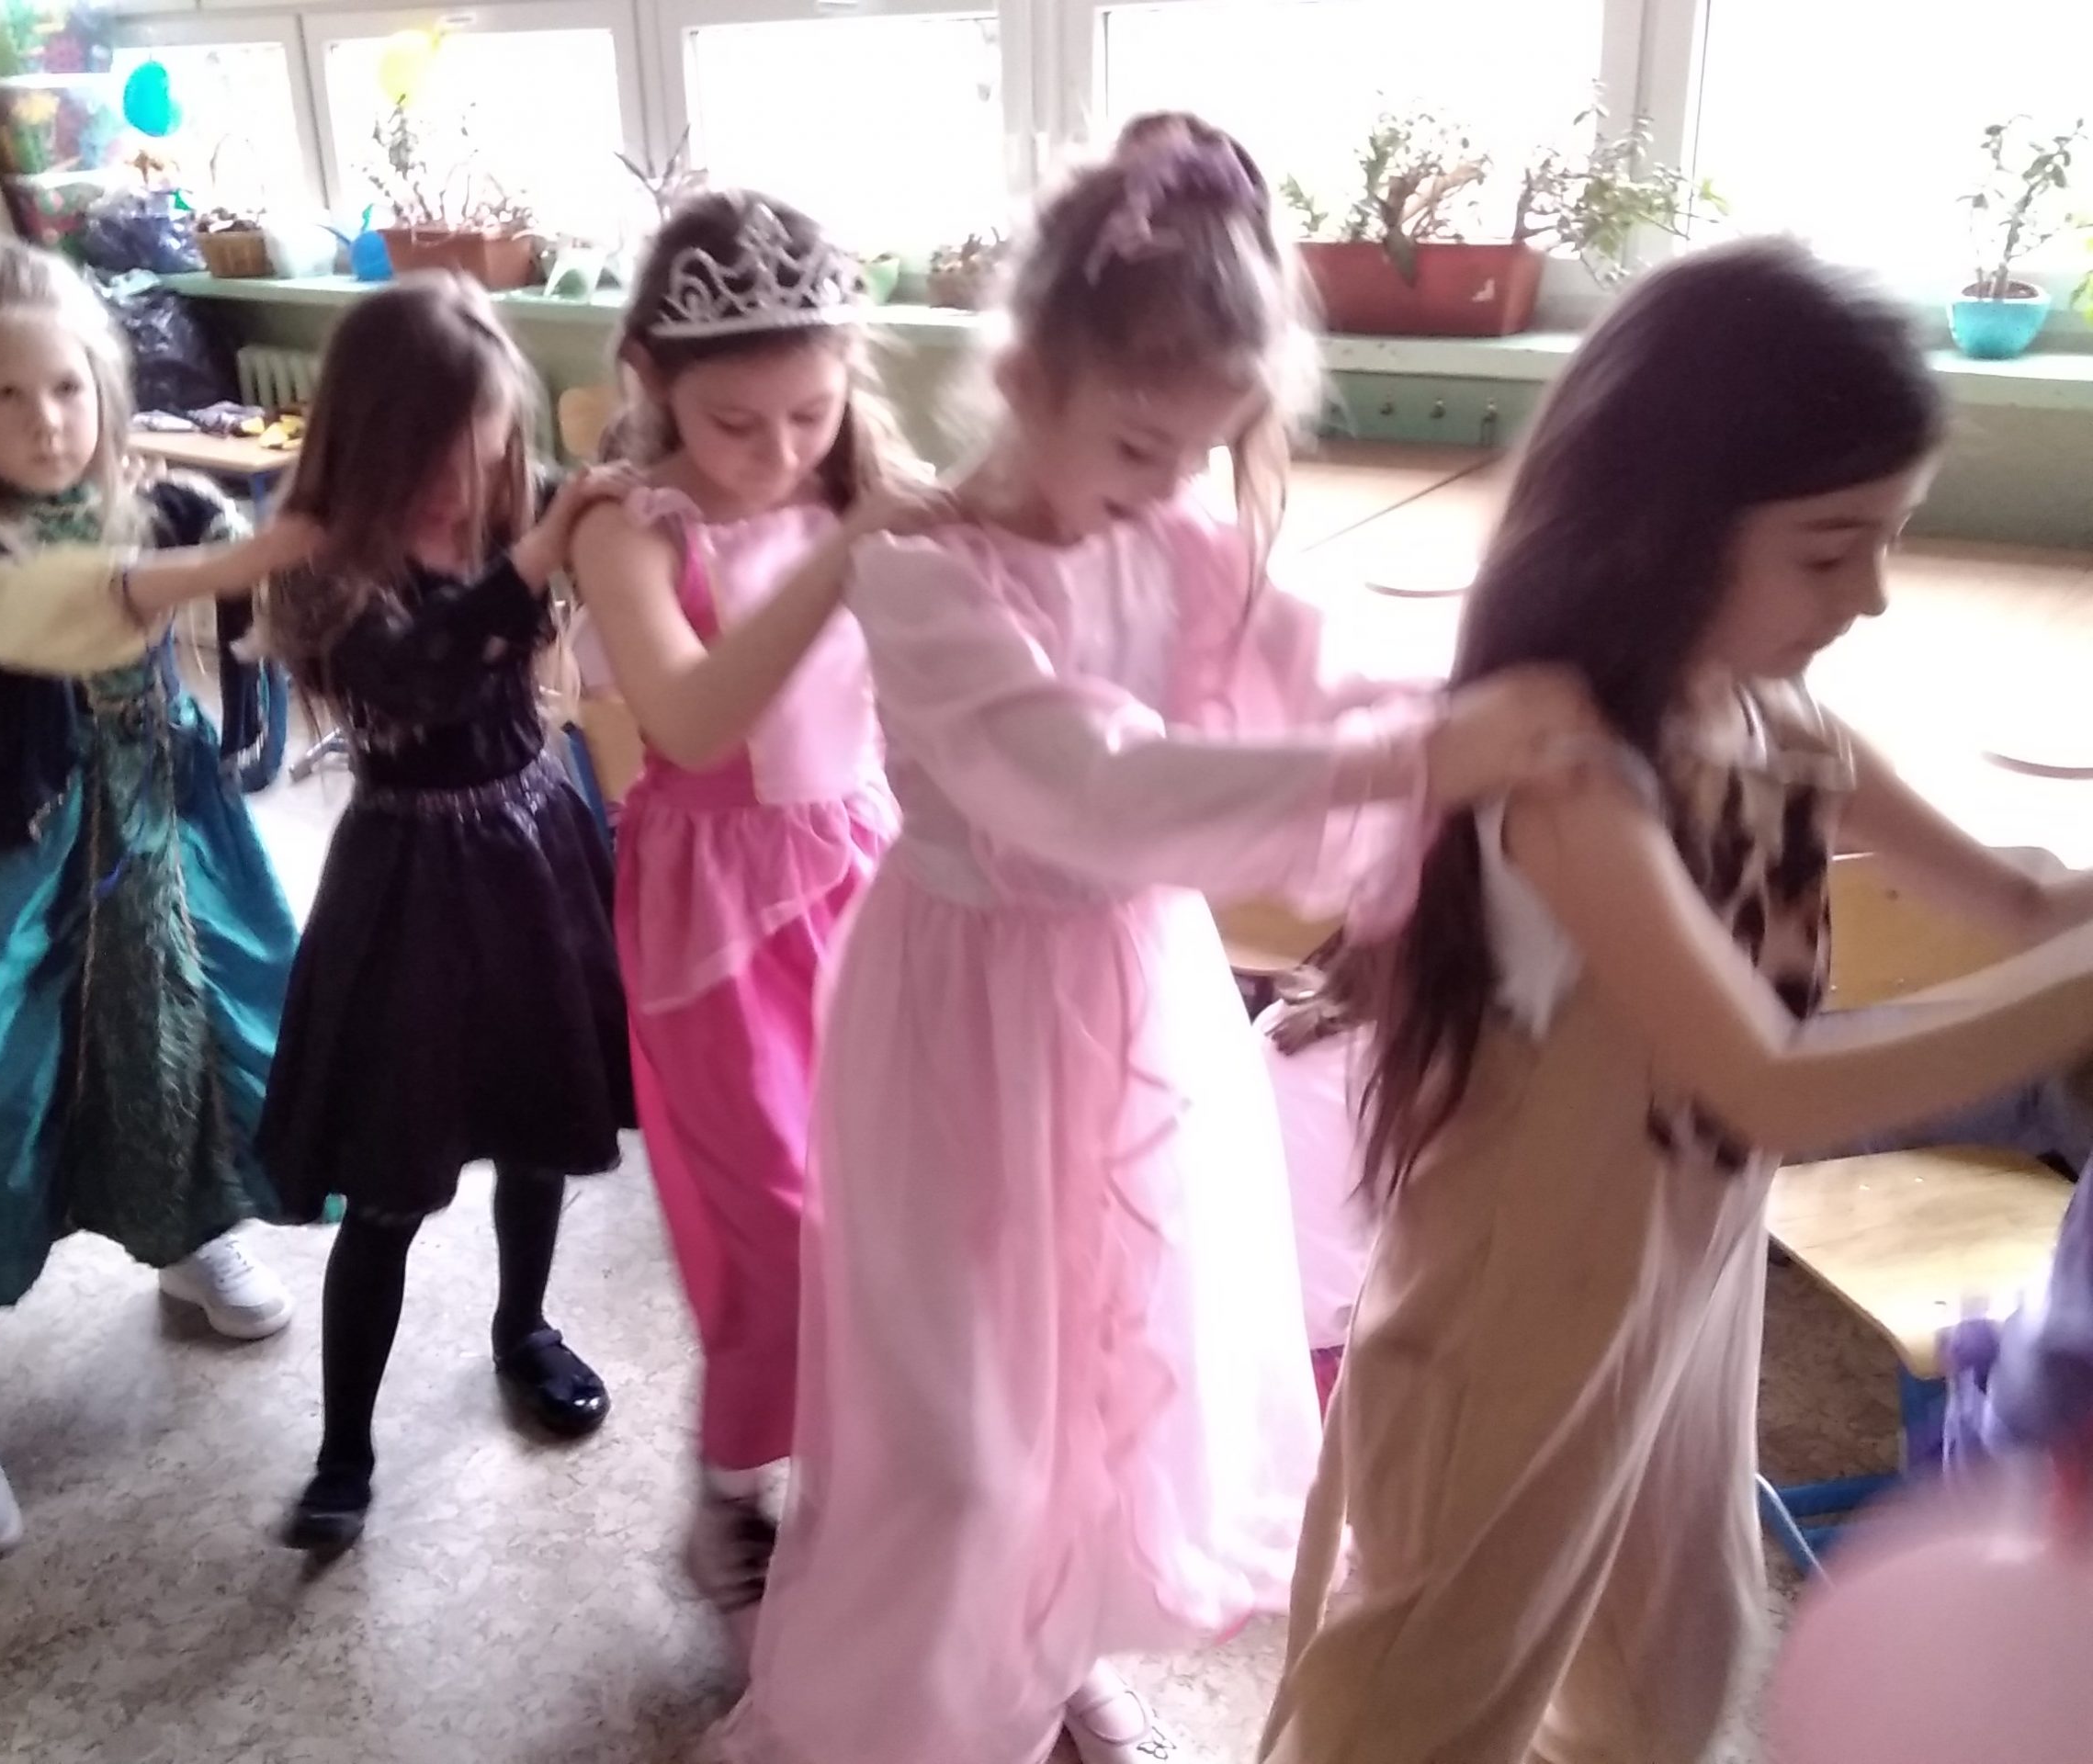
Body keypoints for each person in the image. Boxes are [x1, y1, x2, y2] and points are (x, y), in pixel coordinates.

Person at [714, 113, 1597, 1764]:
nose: (1172, 488)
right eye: (1139, 444)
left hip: (1133, 996)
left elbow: (1323, 674)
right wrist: (1416, 757)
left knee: (1116, 1375)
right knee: (959, 1428)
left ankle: (1047, 1647)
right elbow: (1088, 784)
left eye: (1201, 454)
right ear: (1024, 376)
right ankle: (883, 1707)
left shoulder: (1178, 541)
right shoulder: (920, 575)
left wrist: (1485, 704)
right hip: (961, 1018)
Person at [1260, 241, 2093, 1764]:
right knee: (1421, 1706)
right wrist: (2069, 1001)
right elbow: (1764, 1081)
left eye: (1891, 539)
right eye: (1829, 551)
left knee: (1675, 1682)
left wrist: (2067, 940)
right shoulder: (1573, 776)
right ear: (1666, 528)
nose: (1873, 594)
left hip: (1687, 1283)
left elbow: (2023, 902)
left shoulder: (1785, 724)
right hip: (1521, 1306)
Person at [0, 243, 309, 1566]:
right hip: (8, 863)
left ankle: (189, 1236)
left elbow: (250, 603)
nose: (45, 422)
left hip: (155, 839)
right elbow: (54, 611)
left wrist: (288, 573)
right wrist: (220, 564)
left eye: (66, 389)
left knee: (178, 1046)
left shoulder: (150, 505)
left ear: (104, 387)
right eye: (5, 396)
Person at [569, 189, 917, 1643]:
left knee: (890, 1219)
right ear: (653, 378)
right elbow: (696, 717)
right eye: (737, 424)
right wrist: (849, 553)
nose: (780, 454)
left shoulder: (862, 491)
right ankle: (732, 1490)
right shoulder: (625, 529)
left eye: (812, 416)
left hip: (871, 882)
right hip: (714, 916)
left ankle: (873, 1502)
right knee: (778, 1231)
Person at [258, 274, 636, 1553]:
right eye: (424, 454)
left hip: (534, 851)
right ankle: (344, 1448)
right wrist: (538, 550)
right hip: (407, 888)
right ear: (363, 445)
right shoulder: (321, 563)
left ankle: (522, 1326)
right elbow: (418, 674)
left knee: (540, 1132)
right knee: (388, 1185)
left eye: (480, 444)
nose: (458, 479)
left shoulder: (506, 517)